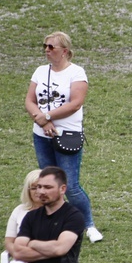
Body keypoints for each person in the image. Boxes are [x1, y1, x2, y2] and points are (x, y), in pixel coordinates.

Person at [24, 31, 103, 244]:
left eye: (51, 47)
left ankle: (88, 225)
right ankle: (53, 223)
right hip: (42, 135)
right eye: (45, 46)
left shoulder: (77, 73)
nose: (46, 51)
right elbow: (30, 100)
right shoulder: (40, 71)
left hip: (67, 135)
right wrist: (41, 121)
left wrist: (47, 116)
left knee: (70, 185)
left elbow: (75, 103)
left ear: (65, 51)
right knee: (47, 182)